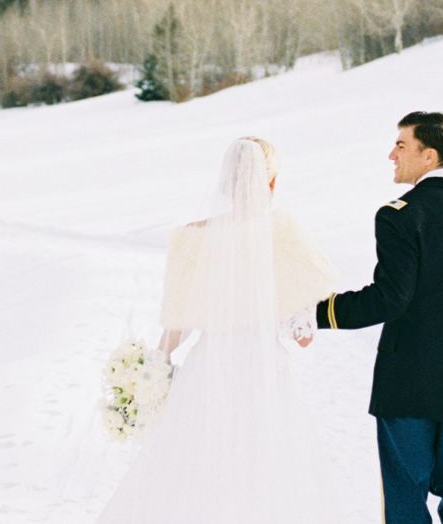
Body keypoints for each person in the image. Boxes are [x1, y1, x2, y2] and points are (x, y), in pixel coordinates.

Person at [96, 137, 340, 523]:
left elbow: (178, 325)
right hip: (263, 369)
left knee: (193, 463)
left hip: (208, 367)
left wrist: (151, 371)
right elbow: (304, 334)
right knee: (264, 464)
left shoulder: (194, 236)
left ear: (225, 183)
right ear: (271, 182)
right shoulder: (284, 233)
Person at [311, 111, 443, 524]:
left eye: (401, 145)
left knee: (406, 496)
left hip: (408, 380)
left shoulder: (399, 214)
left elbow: (389, 299)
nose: (391, 154)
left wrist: (316, 311)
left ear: (428, 156)